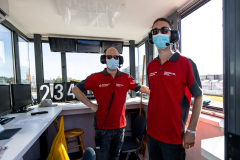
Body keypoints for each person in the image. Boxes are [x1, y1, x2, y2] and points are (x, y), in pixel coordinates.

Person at [72, 47, 150, 160]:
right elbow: (75, 90)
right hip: (102, 129)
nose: (113, 59)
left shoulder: (126, 78)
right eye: (109, 57)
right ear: (104, 59)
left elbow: (142, 88)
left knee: (116, 157)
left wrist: (154, 92)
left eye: (116, 57)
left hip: (120, 128)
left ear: (120, 60)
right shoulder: (95, 78)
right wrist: (91, 105)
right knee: (102, 157)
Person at [146, 18, 203, 160]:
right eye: (155, 31)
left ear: (173, 35)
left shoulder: (186, 63)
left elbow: (198, 96)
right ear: (151, 37)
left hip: (173, 138)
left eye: (164, 30)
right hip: (152, 134)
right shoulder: (150, 66)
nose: (159, 34)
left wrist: (191, 129)